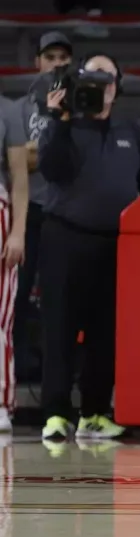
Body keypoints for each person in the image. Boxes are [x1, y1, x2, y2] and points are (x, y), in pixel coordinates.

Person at [39, 53, 140, 441]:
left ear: (117, 85)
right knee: (59, 328)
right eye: (91, 74)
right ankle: (56, 414)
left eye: (107, 75)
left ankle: (94, 412)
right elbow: (51, 170)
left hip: (114, 245)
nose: (100, 81)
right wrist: (57, 120)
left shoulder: (132, 130)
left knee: (104, 332)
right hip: (65, 237)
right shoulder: (66, 125)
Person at [10, 32, 71, 385]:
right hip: (28, 212)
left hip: (62, 214)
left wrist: (34, 153)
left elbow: (39, 157)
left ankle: (56, 375)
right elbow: (16, 160)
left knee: (59, 299)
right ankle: (15, 368)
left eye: (64, 57)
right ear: (37, 62)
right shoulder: (19, 109)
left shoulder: (79, 109)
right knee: (16, 297)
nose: (57, 63)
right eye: (50, 57)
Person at [0, 87, 29, 432]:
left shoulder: (7, 110)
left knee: (1, 314)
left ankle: (2, 401)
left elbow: (20, 177)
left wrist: (18, 231)